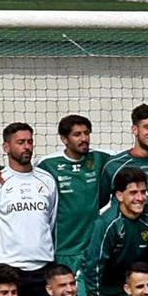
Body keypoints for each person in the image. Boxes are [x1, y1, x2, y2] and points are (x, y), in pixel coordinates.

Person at [100, 104, 148, 296]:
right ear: (135, 130)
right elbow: (99, 204)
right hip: (126, 250)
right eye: (147, 127)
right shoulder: (115, 165)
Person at [0, 123, 58, 296]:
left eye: (30, 142)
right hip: (7, 267)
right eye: (20, 142)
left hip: (42, 267)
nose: (27, 147)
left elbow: (50, 221)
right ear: (6, 147)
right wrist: (5, 250)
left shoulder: (47, 180)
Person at [78, 167, 148, 296]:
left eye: (143, 192)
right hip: (98, 279)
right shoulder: (105, 223)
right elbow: (93, 266)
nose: (139, 198)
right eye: (133, 193)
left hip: (129, 279)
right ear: (120, 196)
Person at [38, 115, 112, 272]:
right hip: (62, 248)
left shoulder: (99, 157)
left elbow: (133, 156)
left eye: (86, 133)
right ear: (64, 139)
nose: (84, 138)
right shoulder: (47, 164)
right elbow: (21, 172)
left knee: (90, 295)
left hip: (92, 247)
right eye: (77, 134)